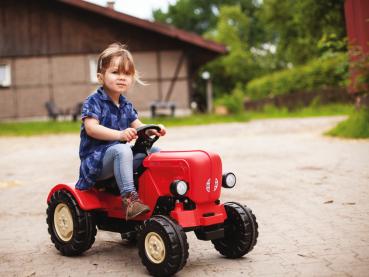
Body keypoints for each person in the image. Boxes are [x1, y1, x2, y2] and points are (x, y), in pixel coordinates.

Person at [75, 42, 166, 220]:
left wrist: (153, 129)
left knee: (154, 152)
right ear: (101, 77)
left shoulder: (125, 105)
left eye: (127, 73)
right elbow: (91, 128)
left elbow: (139, 126)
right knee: (122, 149)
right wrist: (119, 135)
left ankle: (157, 194)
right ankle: (130, 200)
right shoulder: (94, 101)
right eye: (115, 72)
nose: (121, 77)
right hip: (95, 163)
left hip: (118, 157)